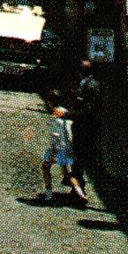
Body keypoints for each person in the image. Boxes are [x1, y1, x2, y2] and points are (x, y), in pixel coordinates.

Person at [40, 104, 86, 205]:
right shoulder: (69, 121)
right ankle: (80, 193)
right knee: (66, 172)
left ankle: (48, 194)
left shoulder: (56, 120)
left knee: (45, 167)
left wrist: (53, 151)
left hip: (58, 149)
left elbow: (55, 136)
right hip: (68, 149)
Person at [70, 58, 101, 192]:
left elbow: (88, 109)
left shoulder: (91, 86)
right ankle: (77, 188)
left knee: (81, 157)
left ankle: (79, 189)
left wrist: (68, 114)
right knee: (78, 157)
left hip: (86, 127)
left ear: (79, 72)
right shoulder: (86, 83)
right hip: (82, 126)